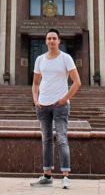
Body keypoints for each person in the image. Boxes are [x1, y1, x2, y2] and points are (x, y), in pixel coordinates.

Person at [31, 28, 81, 188]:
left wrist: (64, 99)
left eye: (54, 38)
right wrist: (35, 100)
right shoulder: (40, 59)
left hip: (60, 105)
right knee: (46, 140)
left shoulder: (66, 58)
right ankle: (47, 175)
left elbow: (77, 82)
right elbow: (36, 83)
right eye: (49, 38)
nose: (51, 41)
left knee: (61, 138)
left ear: (59, 41)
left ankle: (66, 176)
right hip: (43, 106)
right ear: (46, 41)